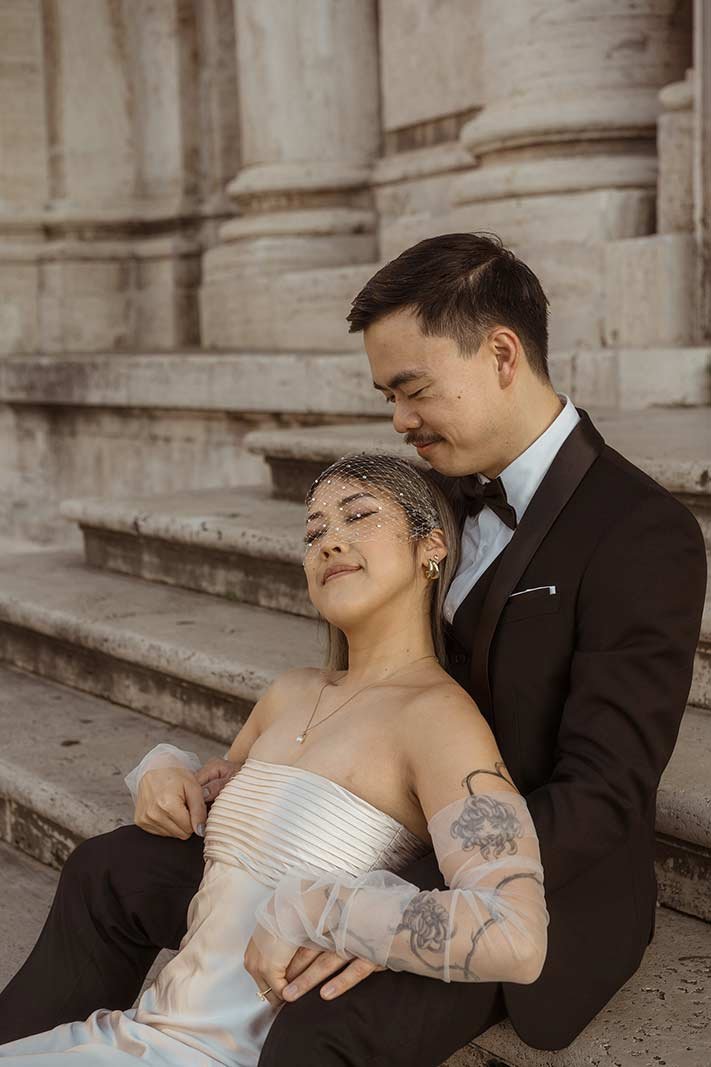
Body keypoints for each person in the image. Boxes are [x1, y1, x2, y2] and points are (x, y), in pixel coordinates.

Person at [0, 232, 705, 1064]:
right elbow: (352, 697)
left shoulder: (639, 532)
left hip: (505, 887)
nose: (400, 420)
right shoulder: (411, 498)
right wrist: (201, 778)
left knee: (314, 1020)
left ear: (502, 355)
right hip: (358, 834)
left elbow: (606, 791)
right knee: (111, 869)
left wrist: (376, 905)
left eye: (412, 389)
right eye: (387, 396)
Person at [0, 454, 549, 1064]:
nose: (330, 541)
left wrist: (317, 910)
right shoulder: (290, 691)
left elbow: (515, 934)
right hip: (139, 1032)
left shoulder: (441, 721)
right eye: (314, 532)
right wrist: (165, 767)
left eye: (358, 516)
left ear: (432, 549)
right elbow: (234, 813)